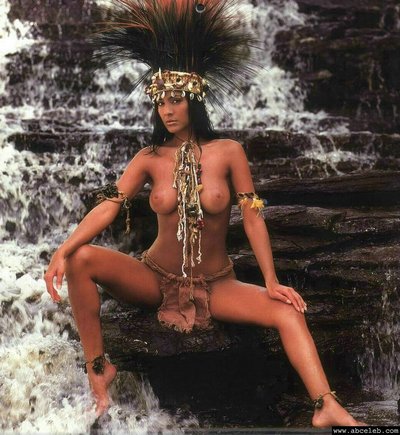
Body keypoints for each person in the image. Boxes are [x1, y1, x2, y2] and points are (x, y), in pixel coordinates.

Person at [44, 0, 365, 427]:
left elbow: (252, 216)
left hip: (217, 284)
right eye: (161, 102)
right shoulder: (148, 157)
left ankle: (326, 405)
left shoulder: (230, 151)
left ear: (194, 101)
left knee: (288, 312)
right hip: (154, 278)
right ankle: (98, 369)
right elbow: (109, 205)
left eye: (176, 101)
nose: (167, 110)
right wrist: (63, 249)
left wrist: (271, 280)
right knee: (81, 258)